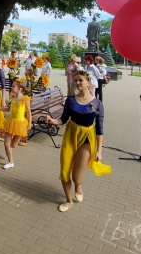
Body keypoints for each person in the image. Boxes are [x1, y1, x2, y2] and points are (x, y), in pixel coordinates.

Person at [45, 69, 111, 212]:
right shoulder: (70, 100)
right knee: (64, 170)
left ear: (88, 82)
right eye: (76, 80)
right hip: (70, 136)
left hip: (86, 139)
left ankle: (78, 185)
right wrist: (52, 121)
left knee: (76, 177)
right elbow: (63, 119)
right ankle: (69, 201)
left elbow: (99, 129)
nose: (77, 83)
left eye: (81, 80)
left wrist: (99, 150)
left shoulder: (98, 104)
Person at [0, 78, 32, 169]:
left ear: (20, 88)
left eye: (14, 86)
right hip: (11, 121)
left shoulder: (24, 99)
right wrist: (0, 109)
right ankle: (11, 162)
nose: (11, 87)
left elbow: (29, 112)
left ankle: (9, 151)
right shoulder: (13, 97)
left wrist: (29, 123)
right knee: (6, 143)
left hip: (20, 124)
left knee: (14, 145)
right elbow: (10, 109)